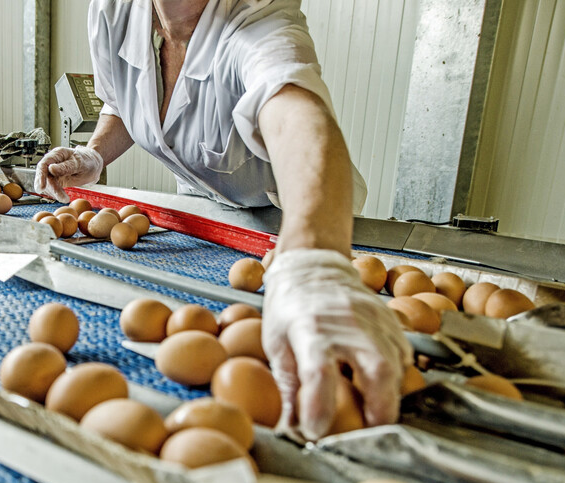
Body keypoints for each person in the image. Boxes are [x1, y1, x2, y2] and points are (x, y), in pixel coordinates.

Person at [35, 0, 410, 440]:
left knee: (313, 343)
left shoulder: (258, 16)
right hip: (204, 215)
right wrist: (93, 153)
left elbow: (293, 112)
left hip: (300, 216)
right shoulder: (112, 10)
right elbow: (123, 102)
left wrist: (315, 258)